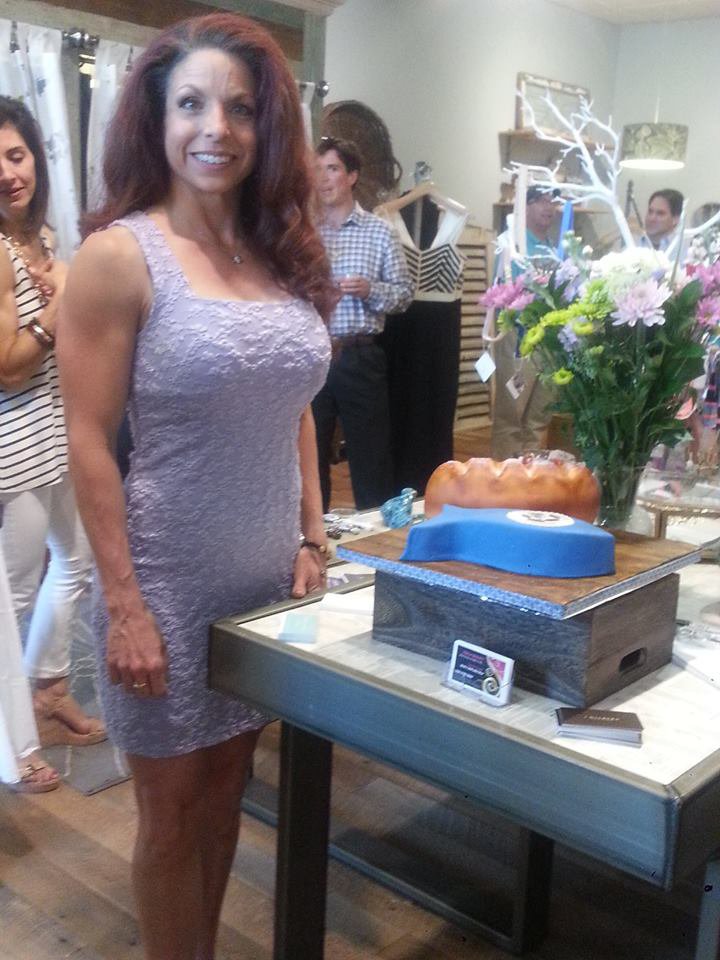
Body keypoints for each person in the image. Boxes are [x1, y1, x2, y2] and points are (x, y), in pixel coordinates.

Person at [57, 13, 333, 960]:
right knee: (172, 818)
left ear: (267, 128)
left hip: (264, 585)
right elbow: (88, 440)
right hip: (166, 584)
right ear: (157, 120)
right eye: (191, 104)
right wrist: (125, 606)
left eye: (240, 108)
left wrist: (313, 533)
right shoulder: (119, 256)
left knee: (225, 797)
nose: (216, 128)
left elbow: (294, 405)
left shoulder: (278, 252)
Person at [0, 96, 103, 750]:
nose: (9, 173)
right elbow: (8, 369)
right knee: (12, 597)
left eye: (16, 155)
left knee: (75, 562)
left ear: (36, 157)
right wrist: (59, 305)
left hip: (55, 436)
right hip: (14, 447)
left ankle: (49, 688)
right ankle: (10, 740)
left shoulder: (35, 240)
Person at [312, 136, 413, 511]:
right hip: (312, 354)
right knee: (309, 453)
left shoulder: (380, 232)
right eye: (317, 170)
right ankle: (312, 533)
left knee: (371, 455)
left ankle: (375, 534)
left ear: (352, 175)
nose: (323, 178)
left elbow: (404, 294)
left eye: (332, 169)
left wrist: (371, 290)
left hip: (360, 356)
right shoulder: (304, 234)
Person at [490, 185, 558, 460]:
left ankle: (531, 475)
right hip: (518, 341)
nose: (548, 207)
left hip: (550, 343)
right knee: (511, 416)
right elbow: (503, 295)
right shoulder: (512, 245)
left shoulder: (553, 248)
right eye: (541, 201)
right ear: (525, 206)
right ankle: (504, 475)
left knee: (539, 418)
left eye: (552, 201)